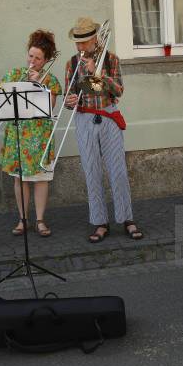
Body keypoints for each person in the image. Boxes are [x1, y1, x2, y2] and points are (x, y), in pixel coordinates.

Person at [63, 17, 144, 243]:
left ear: (95, 40)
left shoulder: (111, 59)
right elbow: (67, 95)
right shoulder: (71, 63)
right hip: (84, 118)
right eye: (77, 43)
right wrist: (69, 100)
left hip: (108, 117)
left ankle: (127, 218)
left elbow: (118, 90)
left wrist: (98, 75)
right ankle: (100, 222)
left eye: (84, 43)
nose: (79, 47)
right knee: (92, 172)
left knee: (118, 171)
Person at [0, 30, 62, 237]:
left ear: (46, 60)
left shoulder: (50, 80)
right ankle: (22, 219)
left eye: (38, 58)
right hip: (18, 133)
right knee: (21, 179)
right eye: (31, 56)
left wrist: (40, 85)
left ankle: (40, 220)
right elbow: (0, 97)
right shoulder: (15, 74)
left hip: (40, 136)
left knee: (41, 179)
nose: (33, 61)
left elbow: (50, 107)